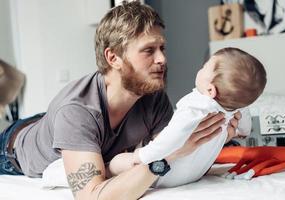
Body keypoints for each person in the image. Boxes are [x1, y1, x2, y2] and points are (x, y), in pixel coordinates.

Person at [0, 1, 241, 199]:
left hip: (58, 126)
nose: (162, 59)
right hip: (12, 149)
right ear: (113, 58)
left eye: (162, 48)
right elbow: (93, 195)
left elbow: (173, 163)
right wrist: (167, 156)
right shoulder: (76, 112)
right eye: (149, 50)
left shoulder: (153, 97)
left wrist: (214, 139)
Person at [108, 47, 267, 188]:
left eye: (205, 67)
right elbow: (245, 128)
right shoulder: (234, 108)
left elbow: (171, 138)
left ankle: (109, 171)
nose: (200, 68)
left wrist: (143, 155)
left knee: (116, 162)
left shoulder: (195, 107)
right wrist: (241, 132)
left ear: (210, 90)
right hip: (194, 174)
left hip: (164, 175)